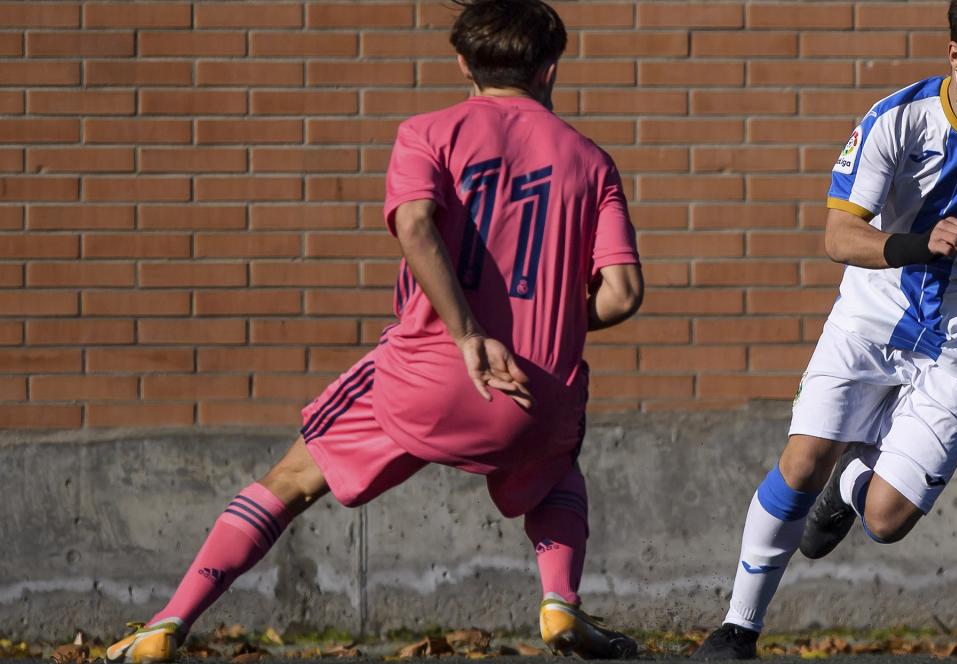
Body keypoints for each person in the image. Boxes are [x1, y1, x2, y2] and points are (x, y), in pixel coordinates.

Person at [107, 1, 644, 660]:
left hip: (425, 378)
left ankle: (168, 623)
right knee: (558, 466)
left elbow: (414, 223)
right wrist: (548, 321)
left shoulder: (426, 133)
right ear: (550, 68)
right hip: (532, 395)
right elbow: (622, 294)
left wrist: (469, 334)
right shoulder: (592, 162)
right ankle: (559, 603)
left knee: (289, 481)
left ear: (463, 64)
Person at [692, 0, 957, 658]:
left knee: (886, 521)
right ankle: (737, 629)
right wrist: (919, 246)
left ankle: (851, 484)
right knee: (803, 461)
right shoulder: (895, 119)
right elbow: (839, 235)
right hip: (869, 319)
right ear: (956, 55)